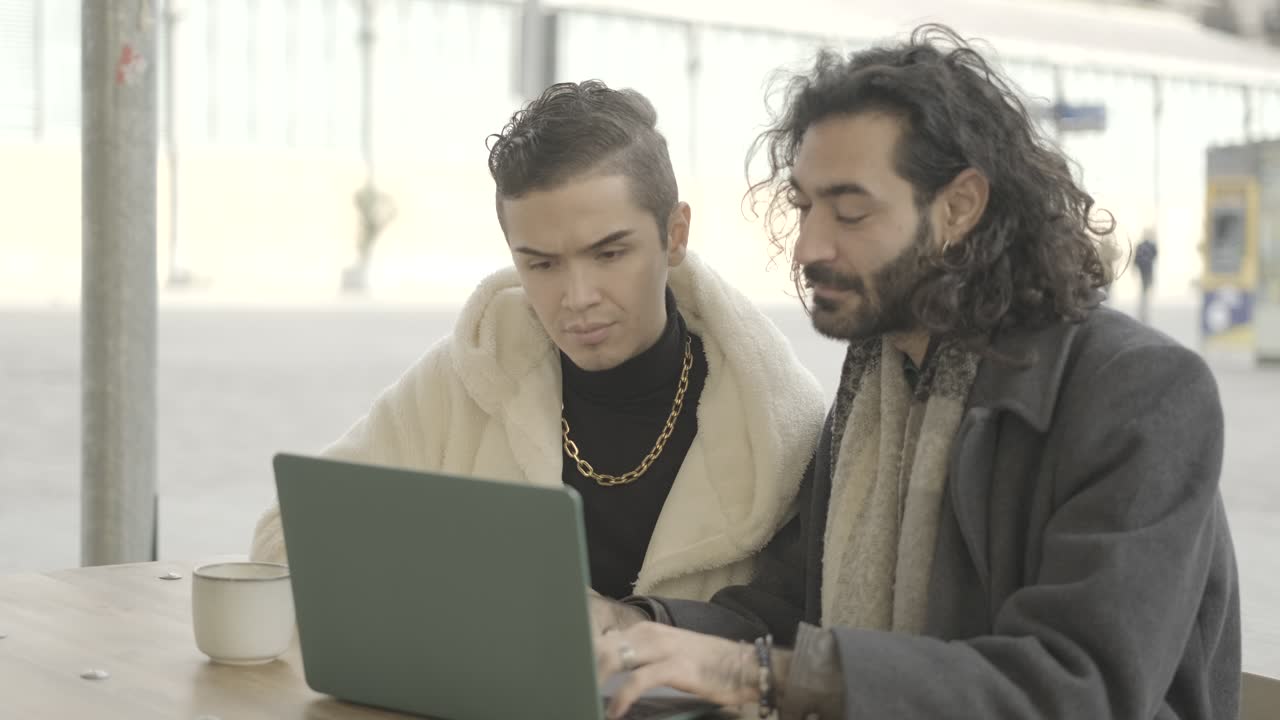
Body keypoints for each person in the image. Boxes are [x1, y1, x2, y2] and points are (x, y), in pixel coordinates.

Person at [590, 25, 1239, 720]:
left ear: (959, 207)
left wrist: (753, 676)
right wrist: (637, 627)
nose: (809, 245)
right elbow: (787, 614)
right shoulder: (881, 378)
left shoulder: (1139, 392)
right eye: (805, 206)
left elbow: (1078, 690)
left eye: (851, 210)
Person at [249, 81, 827, 603]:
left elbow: (800, 628)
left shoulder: (777, 422)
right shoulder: (468, 377)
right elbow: (285, 536)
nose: (577, 297)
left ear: (674, 235)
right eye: (543, 264)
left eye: (609, 254)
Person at [1136, 229, 1158, 323]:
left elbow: (1136, 259)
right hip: (1147, 271)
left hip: (1145, 271)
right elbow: (1155, 255)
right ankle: (1144, 311)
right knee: (1145, 292)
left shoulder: (1141, 246)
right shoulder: (1149, 246)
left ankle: (1143, 311)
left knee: (1144, 292)